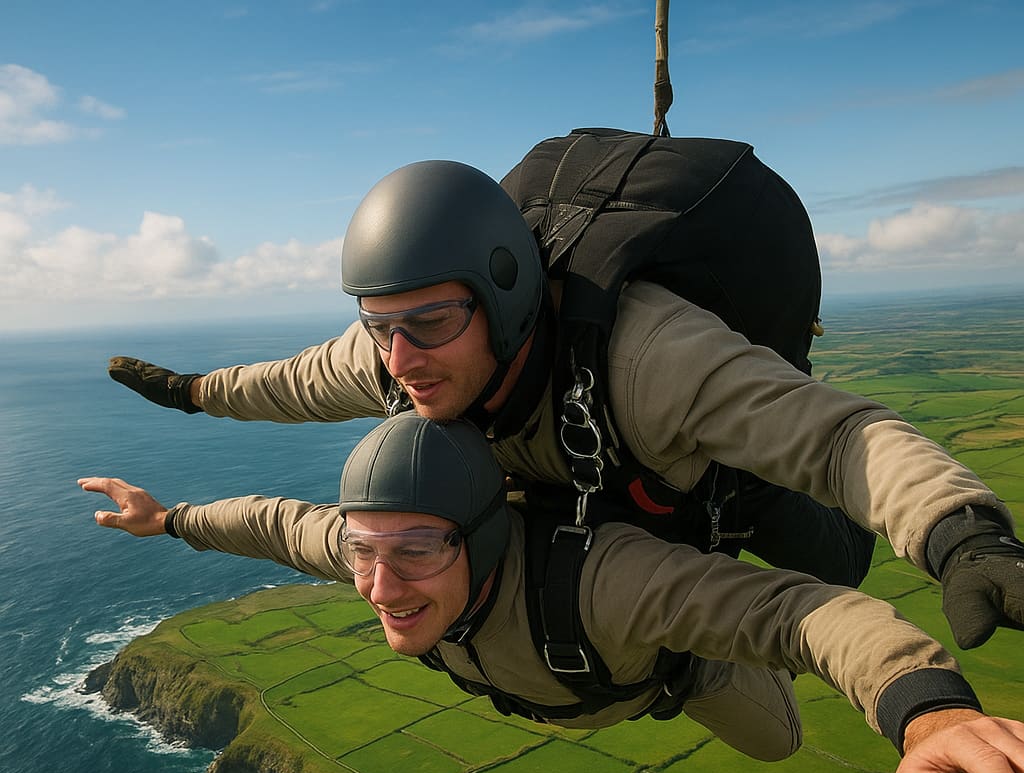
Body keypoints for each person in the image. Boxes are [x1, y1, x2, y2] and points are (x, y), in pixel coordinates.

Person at [107, 159, 1024, 650]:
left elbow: (836, 437)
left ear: (502, 296)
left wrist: (960, 535)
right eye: (377, 323)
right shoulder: (400, 352)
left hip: (715, 476)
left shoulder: (644, 355)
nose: (399, 357)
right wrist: (187, 396)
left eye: (426, 322)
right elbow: (290, 382)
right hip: (603, 499)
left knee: (836, 568)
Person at [80, 413, 1024, 773]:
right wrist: (169, 520)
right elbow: (280, 525)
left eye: (415, 551)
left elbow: (794, 614)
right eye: (364, 550)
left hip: (663, 666)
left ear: (483, 539)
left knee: (778, 743)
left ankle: (713, 578)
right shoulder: (374, 550)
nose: (380, 583)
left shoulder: (606, 585)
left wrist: (926, 711)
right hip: (582, 681)